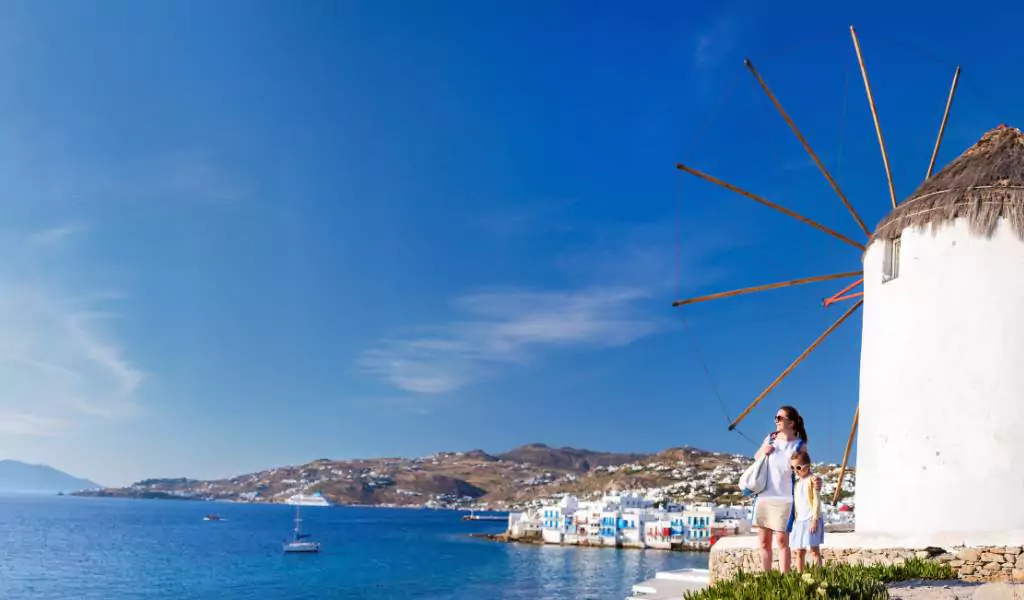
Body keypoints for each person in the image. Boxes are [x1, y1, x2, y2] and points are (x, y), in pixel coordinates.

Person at [752, 405, 811, 573]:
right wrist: (764, 451)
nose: (776, 421)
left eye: (780, 418)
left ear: (791, 423)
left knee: (782, 541)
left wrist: (815, 482)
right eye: (775, 418)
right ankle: (768, 579)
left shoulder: (799, 445)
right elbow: (756, 458)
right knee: (764, 542)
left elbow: (804, 469)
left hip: (785, 499)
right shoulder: (770, 438)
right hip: (764, 496)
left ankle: (783, 580)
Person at [790, 450, 823, 572]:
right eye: (792, 468)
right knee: (799, 551)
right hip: (799, 521)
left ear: (807, 466)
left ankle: (819, 576)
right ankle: (800, 577)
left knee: (814, 550)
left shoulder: (812, 480)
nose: (796, 470)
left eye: (798, 467)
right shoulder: (797, 484)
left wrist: (815, 519)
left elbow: (816, 500)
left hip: (811, 519)